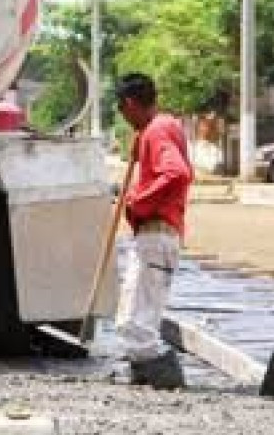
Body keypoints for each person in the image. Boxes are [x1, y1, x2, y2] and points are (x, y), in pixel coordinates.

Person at [114, 73, 193, 390]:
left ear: (130, 104)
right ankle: (147, 374)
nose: (123, 117)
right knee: (141, 315)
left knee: (133, 320)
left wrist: (137, 202)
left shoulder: (157, 130)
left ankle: (164, 375)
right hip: (159, 234)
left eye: (122, 110)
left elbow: (177, 173)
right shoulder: (162, 127)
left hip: (156, 231)